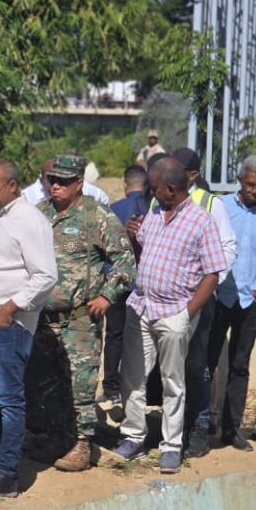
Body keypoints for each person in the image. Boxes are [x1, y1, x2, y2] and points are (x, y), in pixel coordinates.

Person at [113, 157, 228, 474]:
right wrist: (134, 237)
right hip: (142, 307)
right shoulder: (153, 211)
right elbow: (144, 256)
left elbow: (212, 273)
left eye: (155, 187)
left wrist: (187, 313)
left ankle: (171, 446)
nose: (150, 191)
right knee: (132, 377)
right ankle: (133, 437)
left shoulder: (201, 221)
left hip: (174, 313)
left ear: (173, 189)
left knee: (172, 383)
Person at [32, 154, 135, 472]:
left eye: (64, 181)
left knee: (81, 384)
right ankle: (56, 437)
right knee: (48, 384)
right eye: (52, 180)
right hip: (43, 320)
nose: (57, 186)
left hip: (79, 321)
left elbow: (125, 261)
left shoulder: (97, 216)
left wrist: (107, 295)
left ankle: (81, 445)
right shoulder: (38, 214)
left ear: (79, 183)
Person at [0, 158, 57, 498]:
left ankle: (8, 473)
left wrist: (10, 307)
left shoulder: (29, 220)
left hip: (8, 325)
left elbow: (45, 275)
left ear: (13, 185)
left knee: (7, 400)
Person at [208, 156, 256, 451]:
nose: (255, 191)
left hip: (249, 300)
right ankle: (202, 424)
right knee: (207, 362)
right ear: (240, 181)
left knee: (240, 365)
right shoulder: (221, 207)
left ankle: (231, 429)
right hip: (217, 295)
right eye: (250, 185)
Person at [171, 147, 237, 457]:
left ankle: (197, 427)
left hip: (198, 300)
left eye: (178, 168)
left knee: (196, 365)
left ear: (193, 175)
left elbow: (227, 249)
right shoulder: (163, 198)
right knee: (170, 366)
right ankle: (172, 428)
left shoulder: (211, 204)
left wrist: (208, 284)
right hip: (167, 300)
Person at [99, 164, 150, 423]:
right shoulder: (153, 209)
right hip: (143, 287)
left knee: (114, 335)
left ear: (125, 183)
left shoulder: (112, 210)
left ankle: (110, 388)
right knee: (143, 339)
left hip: (115, 285)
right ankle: (139, 388)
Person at [22, 156, 110, 206]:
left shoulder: (94, 196)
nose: (55, 185)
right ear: (42, 180)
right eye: (51, 179)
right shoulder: (27, 200)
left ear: (79, 184)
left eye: (62, 180)